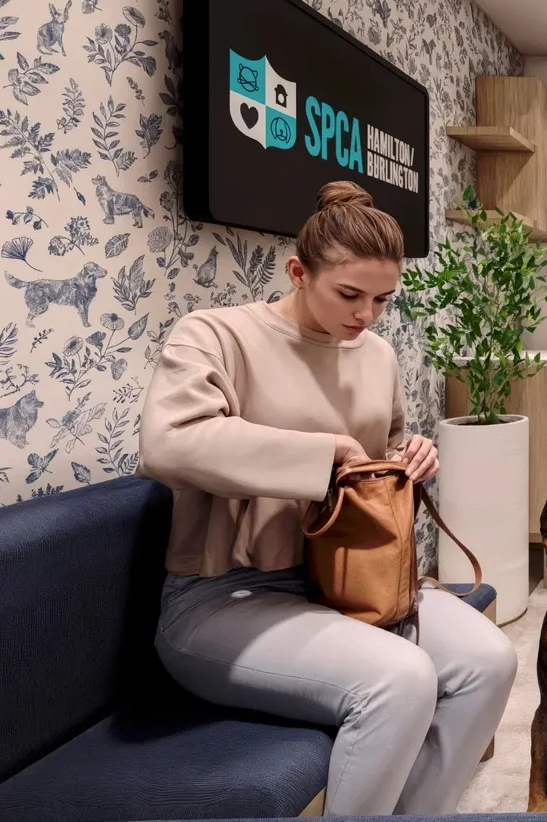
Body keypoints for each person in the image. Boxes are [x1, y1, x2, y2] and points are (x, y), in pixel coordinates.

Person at [136, 181, 517, 817]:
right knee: (400, 681)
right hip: (221, 599)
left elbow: (380, 460)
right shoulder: (217, 336)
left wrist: (410, 459)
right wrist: (319, 455)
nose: (365, 314)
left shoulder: (377, 356)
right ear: (297, 271)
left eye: (382, 299)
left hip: (347, 588)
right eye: (349, 294)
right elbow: (167, 444)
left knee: (491, 661)